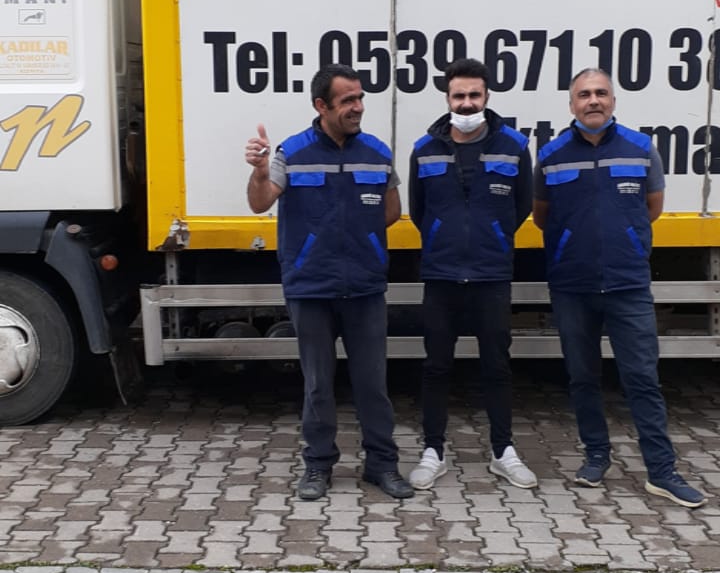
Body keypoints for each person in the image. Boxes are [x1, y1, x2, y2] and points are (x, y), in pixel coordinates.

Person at [532, 67, 705, 508]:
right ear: (571, 105)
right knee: (582, 376)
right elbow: (542, 216)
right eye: (584, 94)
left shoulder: (640, 148)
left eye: (601, 93)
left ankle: (661, 472)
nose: (593, 100)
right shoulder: (551, 154)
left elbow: (652, 207)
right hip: (572, 285)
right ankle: (596, 456)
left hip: (628, 284)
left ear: (613, 100)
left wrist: (623, 239)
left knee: (642, 378)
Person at [245, 63, 414, 503]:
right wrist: (260, 171)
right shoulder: (293, 151)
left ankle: (382, 464)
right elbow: (260, 202)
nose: (358, 107)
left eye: (360, 98)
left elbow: (391, 211)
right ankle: (318, 464)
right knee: (318, 384)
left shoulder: (377, 152)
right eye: (347, 100)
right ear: (322, 105)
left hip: (365, 288)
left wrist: (359, 240)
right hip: (311, 288)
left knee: (373, 384)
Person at [408, 58, 537, 492]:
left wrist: (492, 236)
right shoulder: (424, 149)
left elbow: (521, 206)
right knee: (435, 367)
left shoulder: (514, 146)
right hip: (441, 275)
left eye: (474, 95)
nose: (466, 103)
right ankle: (433, 451)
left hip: (490, 275)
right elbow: (419, 210)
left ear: (486, 97)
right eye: (459, 96)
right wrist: (444, 237)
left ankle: (503, 451)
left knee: (497, 366)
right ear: (447, 98)